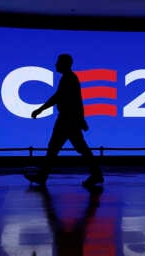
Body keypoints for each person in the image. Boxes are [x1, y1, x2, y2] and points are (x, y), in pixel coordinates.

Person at [24, 54, 104, 187]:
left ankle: (43, 176)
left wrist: (40, 109)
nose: (56, 65)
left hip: (66, 120)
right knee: (76, 148)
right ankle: (96, 175)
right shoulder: (69, 78)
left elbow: (59, 97)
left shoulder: (68, 79)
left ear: (64, 64)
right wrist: (81, 119)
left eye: (58, 62)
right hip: (70, 119)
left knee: (56, 148)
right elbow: (77, 100)